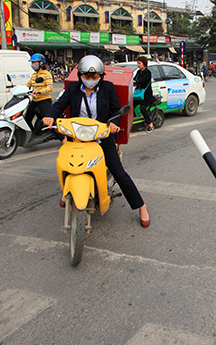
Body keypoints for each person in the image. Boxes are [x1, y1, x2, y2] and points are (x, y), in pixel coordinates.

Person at [42, 55, 151, 227]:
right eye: (87, 76)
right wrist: (49, 116)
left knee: (119, 173)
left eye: (94, 77)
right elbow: (60, 104)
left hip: (101, 137)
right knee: (65, 162)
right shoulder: (73, 88)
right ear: (80, 75)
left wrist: (114, 123)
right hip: (78, 137)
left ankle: (141, 206)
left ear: (101, 76)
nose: (90, 80)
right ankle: (66, 192)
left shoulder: (107, 88)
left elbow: (116, 110)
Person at [24, 53, 53, 138]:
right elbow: (27, 85)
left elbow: (49, 87)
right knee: (27, 119)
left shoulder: (46, 74)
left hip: (44, 100)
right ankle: (32, 135)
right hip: (35, 100)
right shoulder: (34, 75)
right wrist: (16, 88)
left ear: (41, 63)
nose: (33, 65)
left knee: (44, 120)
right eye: (32, 63)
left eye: (35, 62)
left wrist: (39, 91)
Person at [133, 56, 155, 132]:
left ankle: (150, 124)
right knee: (131, 106)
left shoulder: (148, 72)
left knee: (142, 108)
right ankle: (132, 122)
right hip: (138, 93)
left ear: (144, 63)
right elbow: (134, 79)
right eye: (137, 63)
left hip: (146, 95)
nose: (138, 65)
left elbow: (142, 80)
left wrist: (137, 81)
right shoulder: (138, 72)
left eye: (139, 63)